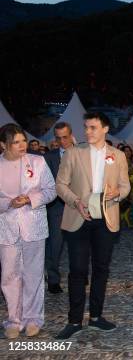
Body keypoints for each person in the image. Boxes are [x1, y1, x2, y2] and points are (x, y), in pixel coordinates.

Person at [54, 112, 130, 339]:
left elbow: (125, 186)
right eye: (86, 127)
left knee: (101, 269)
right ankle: (74, 320)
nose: (88, 131)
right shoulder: (73, 153)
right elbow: (60, 184)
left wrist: (117, 194)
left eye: (93, 127)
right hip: (79, 218)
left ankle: (96, 317)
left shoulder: (118, 156)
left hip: (105, 219)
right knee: (77, 270)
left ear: (105, 129)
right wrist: (76, 202)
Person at [0, 123, 56, 338]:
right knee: (9, 275)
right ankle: (13, 320)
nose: (22, 145)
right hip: (7, 227)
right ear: (3, 145)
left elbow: (50, 191)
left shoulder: (38, 161)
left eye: (23, 140)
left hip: (34, 225)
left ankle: (34, 318)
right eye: (16, 142)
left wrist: (31, 199)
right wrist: (8, 203)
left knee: (33, 273)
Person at [43, 121, 75, 294]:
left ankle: (79, 276)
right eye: (58, 137)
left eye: (65, 137)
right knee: (55, 246)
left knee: (80, 245)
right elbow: (46, 184)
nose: (62, 141)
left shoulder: (82, 154)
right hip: (57, 208)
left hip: (79, 208)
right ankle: (53, 280)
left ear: (71, 135)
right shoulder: (49, 157)